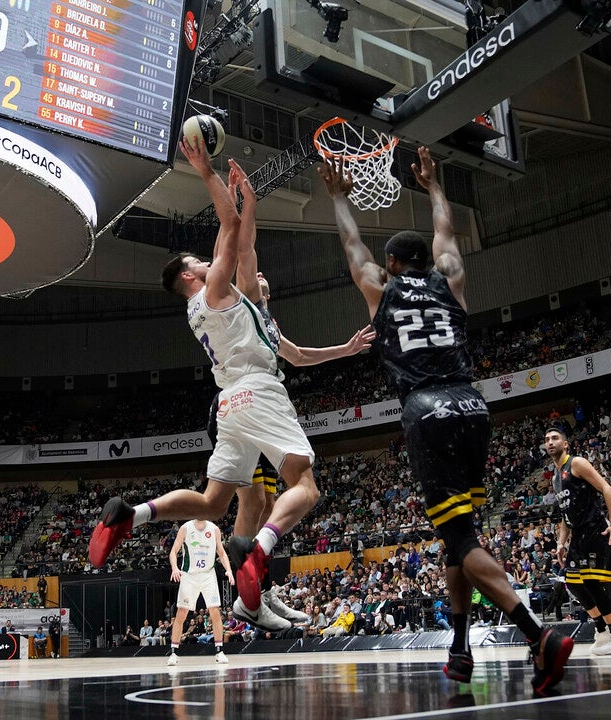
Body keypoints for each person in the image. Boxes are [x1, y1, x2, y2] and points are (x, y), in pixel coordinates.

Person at [319, 148, 573, 696]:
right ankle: (460, 647)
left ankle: (537, 635)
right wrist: (434, 187)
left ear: (391, 266)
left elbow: (350, 245)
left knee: (458, 536)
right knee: (459, 537)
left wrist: (339, 196)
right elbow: (447, 235)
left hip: (425, 407)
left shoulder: (379, 289)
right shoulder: (449, 280)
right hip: (472, 405)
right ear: (427, 263)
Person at [89, 144, 335, 631]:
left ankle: (132, 515)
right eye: (199, 260)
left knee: (211, 503)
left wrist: (249, 203)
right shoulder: (214, 291)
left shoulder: (209, 307)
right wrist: (207, 173)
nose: (207, 261)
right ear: (189, 274)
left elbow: (244, 245)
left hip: (229, 403)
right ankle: (257, 550)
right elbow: (231, 232)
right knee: (304, 487)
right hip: (257, 391)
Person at [205, 268, 370, 628]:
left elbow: (297, 356)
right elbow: (244, 251)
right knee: (254, 501)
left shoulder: (268, 321)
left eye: (265, 275)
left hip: (253, 407)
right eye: (254, 274)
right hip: (236, 406)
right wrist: (245, 209)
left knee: (266, 502)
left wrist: (346, 349)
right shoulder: (242, 303)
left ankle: (259, 592)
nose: (261, 273)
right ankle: (247, 599)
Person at [544, 428, 611, 654]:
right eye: (547, 440)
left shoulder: (577, 463)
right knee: (572, 583)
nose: (550, 442)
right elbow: (565, 516)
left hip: (595, 529)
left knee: (592, 583)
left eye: (555, 438)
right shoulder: (555, 477)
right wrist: (561, 543)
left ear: (566, 444)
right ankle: (601, 630)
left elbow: (606, 488)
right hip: (578, 535)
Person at [166, 519, 234, 666]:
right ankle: (173, 652)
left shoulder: (214, 529)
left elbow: (221, 552)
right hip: (189, 575)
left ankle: (219, 651)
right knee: (181, 613)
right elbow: (173, 551)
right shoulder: (185, 528)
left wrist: (228, 569)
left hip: (208, 575)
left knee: (215, 611)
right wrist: (174, 568)